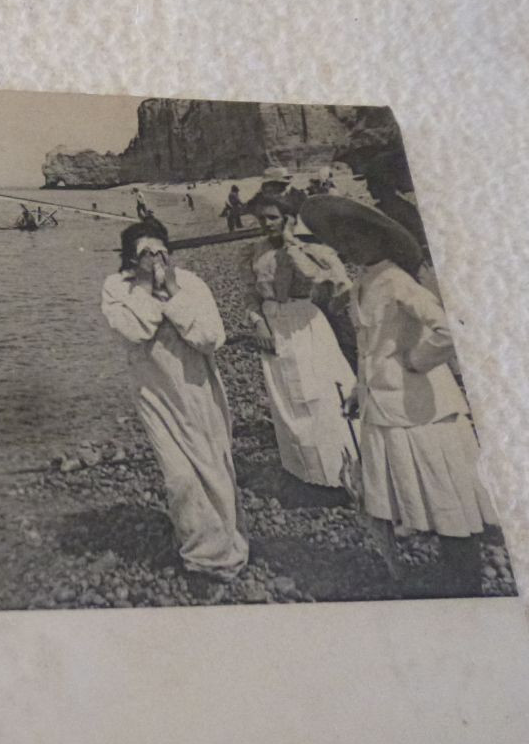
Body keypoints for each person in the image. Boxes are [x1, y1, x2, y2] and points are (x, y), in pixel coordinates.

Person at [301, 195, 497, 595]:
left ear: (380, 239)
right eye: (342, 238)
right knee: (422, 487)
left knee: (443, 484)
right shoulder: (365, 280)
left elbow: (446, 328)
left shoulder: (396, 280)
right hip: (387, 403)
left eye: (357, 237)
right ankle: (451, 570)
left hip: (421, 405)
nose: (349, 245)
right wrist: (361, 387)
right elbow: (371, 345)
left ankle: (467, 577)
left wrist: (417, 360)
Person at [97, 219, 249, 580]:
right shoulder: (116, 288)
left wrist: (175, 293)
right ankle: (201, 555)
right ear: (130, 259)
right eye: (145, 254)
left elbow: (211, 338)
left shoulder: (192, 284)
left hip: (197, 388)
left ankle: (228, 548)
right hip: (155, 392)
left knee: (214, 467)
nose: (155, 260)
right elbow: (136, 331)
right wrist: (149, 289)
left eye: (161, 252)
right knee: (179, 476)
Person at [245, 195, 359, 489]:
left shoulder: (310, 249)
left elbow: (323, 281)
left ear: (288, 218)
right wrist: (259, 324)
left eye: (272, 217)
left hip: (303, 321)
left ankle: (342, 470)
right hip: (272, 322)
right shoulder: (255, 251)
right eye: (261, 219)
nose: (266, 224)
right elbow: (250, 293)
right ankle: (306, 471)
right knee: (286, 397)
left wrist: (291, 243)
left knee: (320, 393)